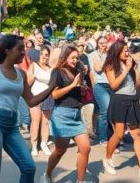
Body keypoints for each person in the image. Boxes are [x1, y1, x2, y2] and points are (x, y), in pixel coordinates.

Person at [0, 34, 53, 183]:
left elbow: (31, 101)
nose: (24, 52)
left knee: (29, 167)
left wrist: (52, 86)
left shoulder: (21, 74)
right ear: (7, 50)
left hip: (11, 124)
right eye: (20, 49)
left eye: (24, 49)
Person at [102, 40, 140, 180]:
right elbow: (113, 86)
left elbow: (138, 85)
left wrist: (135, 68)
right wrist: (126, 70)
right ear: (117, 51)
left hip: (132, 100)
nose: (128, 52)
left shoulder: (130, 65)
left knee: (136, 135)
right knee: (119, 134)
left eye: (128, 50)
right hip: (119, 100)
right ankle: (107, 159)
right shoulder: (110, 65)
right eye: (125, 50)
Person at [42, 45, 91, 183]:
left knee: (86, 148)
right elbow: (54, 95)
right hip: (61, 115)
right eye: (72, 57)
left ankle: (80, 181)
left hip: (76, 115)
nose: (75, 60)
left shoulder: (77, 71)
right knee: (60, 150)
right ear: (65, 57)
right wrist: (72, 85)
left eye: (77, 58)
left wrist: (81, 88)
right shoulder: (57, 72)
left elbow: (79, 92)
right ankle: (47, 174)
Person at [29, 44, 54, 157]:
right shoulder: (34, 66)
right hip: (35, 96)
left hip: (47, 97)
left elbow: (53, 83)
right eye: (43, 55)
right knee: (36, 121)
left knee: (46, 122)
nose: (45, 57)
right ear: (39, 55)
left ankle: (44, 143)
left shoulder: (51, 69)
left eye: (47, 55)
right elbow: (28, 83)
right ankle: (34, 145)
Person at [88, 35, 112, 145]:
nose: (103, 45)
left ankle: (108, 134)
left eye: (105, 43)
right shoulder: (92, 55)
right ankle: (103, 138)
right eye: (101, 43)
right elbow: (97, 69)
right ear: (98, 44)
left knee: (108, 110)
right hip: (100, 85)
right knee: (105, 110)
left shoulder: (110, 54)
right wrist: (107, 60)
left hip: (111, 84)